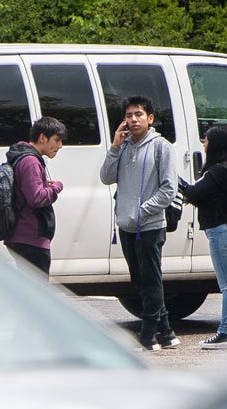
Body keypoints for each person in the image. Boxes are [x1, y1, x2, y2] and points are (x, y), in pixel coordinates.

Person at [99, 95, 180, 351]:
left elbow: (169, 189)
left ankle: (148, 334)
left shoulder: (161, 147)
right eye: (129, 115)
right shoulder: (122, 147)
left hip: (150, 226)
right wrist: (114, 146)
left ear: (150, 118)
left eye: (138, 114)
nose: (133, 119)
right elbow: (106, 177)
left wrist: (142, 211)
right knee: (139, 279)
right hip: (125, 226)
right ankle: (166, 332)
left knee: (151, 279)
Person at [178, 125, 227, 348]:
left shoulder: (218, 172)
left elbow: (193, 194)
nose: (203, 144)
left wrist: (174, 179)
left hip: (220, 230)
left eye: (206, 140)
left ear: (216, 144)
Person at [5, 117, 66, 275]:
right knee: (37, 291)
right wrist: (57, 187)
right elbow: (36, 198)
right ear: (42, 137)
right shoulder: (31, 161)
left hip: (21, 237)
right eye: (57, 140)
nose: (60, 146)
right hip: (30, 238)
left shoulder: (23, 157)